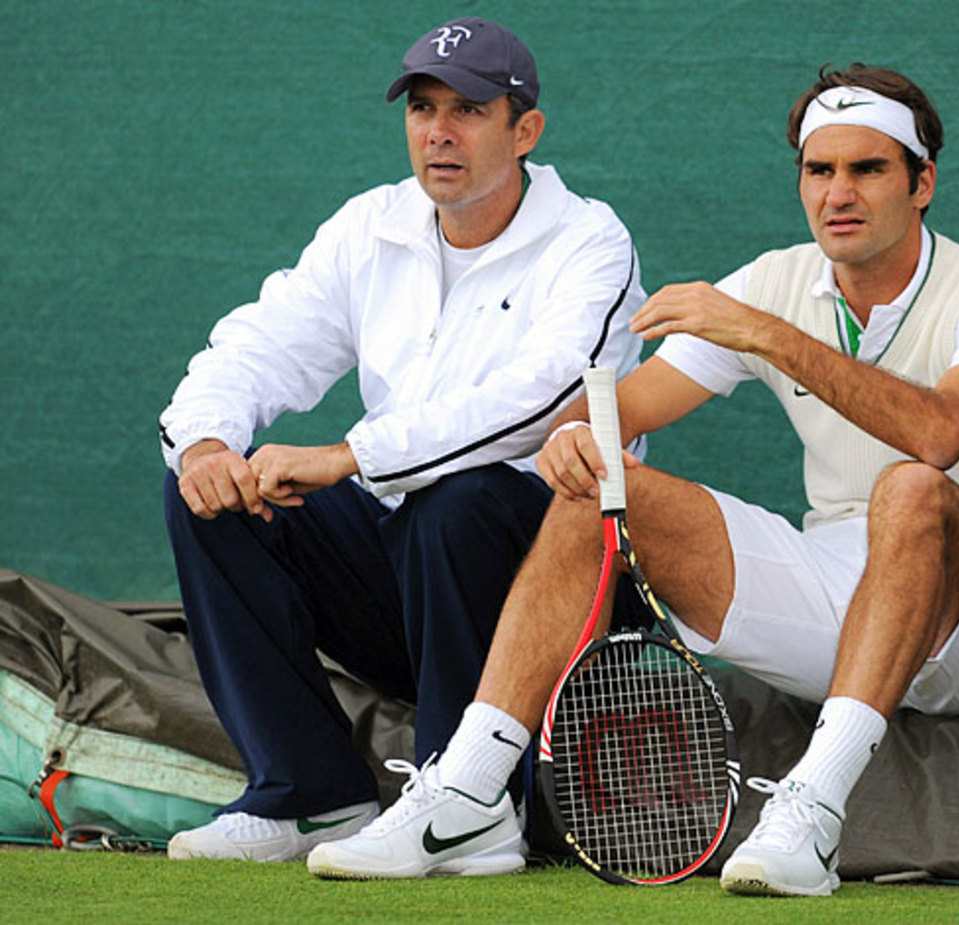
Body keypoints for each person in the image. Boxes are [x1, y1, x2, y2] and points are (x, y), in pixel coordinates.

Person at [304, 63, 959, 893]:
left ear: (921, 183)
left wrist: (769, 336)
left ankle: (812, 813)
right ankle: (470, 790)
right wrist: (575, 440)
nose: (838, 193)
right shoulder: (775, 283)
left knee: (911, 488)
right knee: (601, 487)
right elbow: (624, 408)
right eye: (819, 171)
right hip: (843, 592)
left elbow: (939, 433)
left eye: (868, 169)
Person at [158, 17, 645, 863]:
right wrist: (206, 441)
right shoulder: (370, 225)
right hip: (402, 580)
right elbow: (263, 341)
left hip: (545, 593)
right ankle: (312, 793)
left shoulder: (590, 242)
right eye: (422, 108)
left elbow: (538, 402)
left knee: (456, 496)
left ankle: (467, 800)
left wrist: (349, 457)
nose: (438, 132)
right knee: (210, 497)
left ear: (525, 130)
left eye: (468, 110)